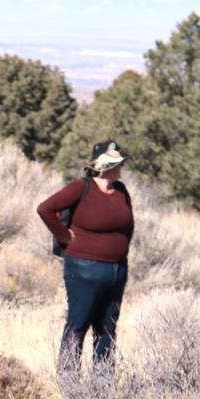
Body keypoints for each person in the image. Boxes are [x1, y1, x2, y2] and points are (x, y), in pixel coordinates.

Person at [37, 139, 133, 372]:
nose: (120, 167)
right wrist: (65, 236)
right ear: (102, 165)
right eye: (115, 163)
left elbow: (127, 226)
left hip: (116, 271)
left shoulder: (121, 191)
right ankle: (69, 382)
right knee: (78, 325)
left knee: (107, 329)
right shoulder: (82, 187)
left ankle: (103, 385)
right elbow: (45, 209)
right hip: (83, 269)